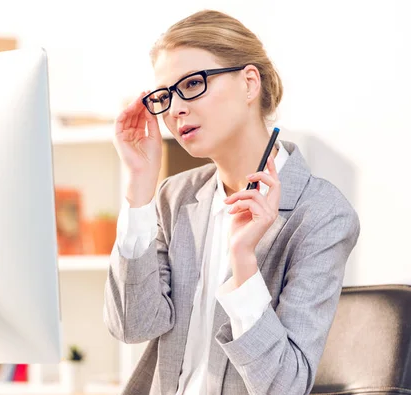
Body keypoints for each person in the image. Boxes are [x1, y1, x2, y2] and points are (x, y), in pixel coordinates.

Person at [103, 9, 360, 395]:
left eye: (191, 84)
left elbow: (284, 387)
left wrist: (243, 263)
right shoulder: (175, 196)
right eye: (165, 96)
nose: (175, 110)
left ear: (249, 83)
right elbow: (132, 326)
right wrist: (139, 186)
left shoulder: (322, 214)